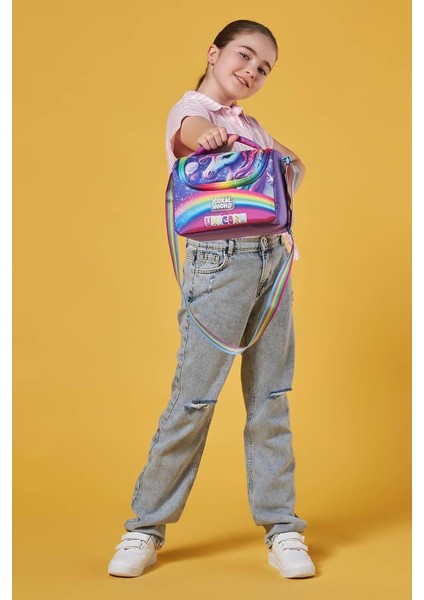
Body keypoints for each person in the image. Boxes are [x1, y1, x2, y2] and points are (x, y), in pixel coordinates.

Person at [108, 19, 315, 580]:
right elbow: (190, 133)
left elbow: (294, 169)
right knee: (194, 399)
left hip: (273, 263)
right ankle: (145, 527)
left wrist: (280, 164)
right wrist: (209, 139)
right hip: (219, 263)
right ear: (213, 53)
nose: (251, 70)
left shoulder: (249, 124)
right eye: (244, 55)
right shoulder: (193, 109)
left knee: (271, 397)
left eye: (263, 67)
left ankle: (282, 528)